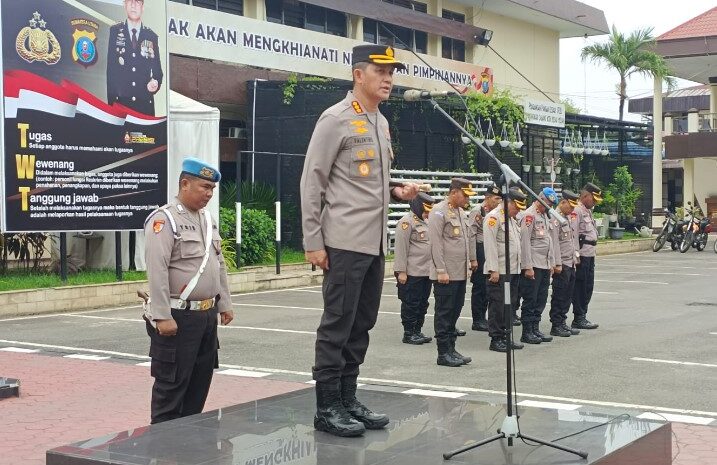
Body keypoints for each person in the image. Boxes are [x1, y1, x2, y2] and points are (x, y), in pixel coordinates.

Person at [300, 44, 419, 437]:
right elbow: (312, 182)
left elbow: (367, 180)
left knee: (362, 323)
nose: (388, 79)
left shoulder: (380, 122)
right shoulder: (335, 119)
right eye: (380, 71)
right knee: (338, 323)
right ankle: (327, 406)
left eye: (392, 72)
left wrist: (398, 190)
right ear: (358, 74)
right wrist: (313, 241)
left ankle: (348, 397)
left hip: (373, 244)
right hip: (344, 242)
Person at [143, 157, 233, 424]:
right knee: (171, 387)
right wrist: (161, 315)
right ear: (185, 183)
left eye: (212, 189)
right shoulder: (164, 220)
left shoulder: (207, 220)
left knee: (198, 386)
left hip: (205, 316)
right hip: (177, 317)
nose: (209, 194)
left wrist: (224, 303)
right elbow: (157, 269)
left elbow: (219, 264)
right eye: (204, 187)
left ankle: (188, 447)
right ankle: (163, 448)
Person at [428, 178, 478, 367]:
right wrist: (441, 270)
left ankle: (451, 348)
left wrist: (471, 262)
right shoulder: (438, 212)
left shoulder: (461, 212)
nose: (466, 199)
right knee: (444, 312)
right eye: (464, 195)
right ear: (454, 192)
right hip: (446, 273)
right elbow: (435, 244)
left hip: (459, 273)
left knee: (455, 312)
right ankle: (443, 353)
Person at [483, 187, 527, 352]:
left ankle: (506, 335)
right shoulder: (494, 218)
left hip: (512, 270)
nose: (518, 211)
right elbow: (490, 245)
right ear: (507, 203)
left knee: (510, 304)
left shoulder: (510, 219)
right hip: (499, 271)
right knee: (498, 305)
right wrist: (493, 269)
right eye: (516, 207)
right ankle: (496, 338)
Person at [107, 0, 164, 115]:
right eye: (130, 1)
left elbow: (158, 72)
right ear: (124, 4)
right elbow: (111, 71)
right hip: (121, 105)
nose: (133, 5)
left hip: (144, 107)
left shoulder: (151, 36)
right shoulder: (115, 31)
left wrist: (155, 83)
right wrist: (111, 106)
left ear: (142, 7)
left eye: (137, 1)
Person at [394, 192, 436, 345]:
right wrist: (401, 271)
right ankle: (409, 332)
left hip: (426, 271)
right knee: (411, 303)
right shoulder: (406, 222)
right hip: (412, 272)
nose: (427, 213)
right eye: (425, 210)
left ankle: (417, 330)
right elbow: (401, 249)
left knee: (423, 303)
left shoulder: (427, 221)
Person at [518, 187, 558, 345]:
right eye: (547, 203)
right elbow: (525, 242)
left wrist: (552, 263)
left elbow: (549, 241)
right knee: (530, 299)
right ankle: (527, 331)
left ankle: (535, 327)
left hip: (544, 264)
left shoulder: (545, 215)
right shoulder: (529, 215)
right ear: (540, 199)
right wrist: (527, 266)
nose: (549, 207)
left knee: (541, 299)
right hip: (533, 264)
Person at [469, 182, 504, 332]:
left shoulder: (498, 213)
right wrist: (473, 258)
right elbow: (471, 235)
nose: (499, 202)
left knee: (487, 287)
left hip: (490, 249)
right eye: (496, 199)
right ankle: (478, 319)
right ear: (488, 198)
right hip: (479, 249)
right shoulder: (477, 211)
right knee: (479, 287)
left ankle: (485, 318)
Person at [548, 190, 582, 337]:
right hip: (561, 263)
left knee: (568, 295)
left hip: (570, 262)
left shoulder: (566, 218)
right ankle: (556, 324)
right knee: (559, 295)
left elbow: (571, 240)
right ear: (563, 202)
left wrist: (576, 256)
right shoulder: (555, 219)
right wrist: (556, 263)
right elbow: (554, 242)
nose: (573, 209)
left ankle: (563, 322)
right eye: (570, 205)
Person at [571, 183, 602, 330]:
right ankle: (579, 317)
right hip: (582, 256)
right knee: (581, 288)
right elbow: (574, 235)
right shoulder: (577, 210)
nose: (595, 201)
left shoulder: (587, 211)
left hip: (590, 254)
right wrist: (576, 257)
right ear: (585, 196)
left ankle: (583, 315)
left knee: (588, 286)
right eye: (593, 198)